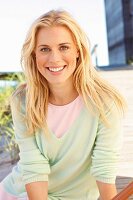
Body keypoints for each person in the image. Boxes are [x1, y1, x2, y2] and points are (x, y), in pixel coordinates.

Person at [0, 9, 126, 200]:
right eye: (44, 49)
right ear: (34, 55)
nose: (54, 58)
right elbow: (33, 166)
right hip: (21, 192)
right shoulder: (23, 100)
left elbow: (105, 165)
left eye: (64, 47)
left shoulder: (105, 103)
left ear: (78, 50)